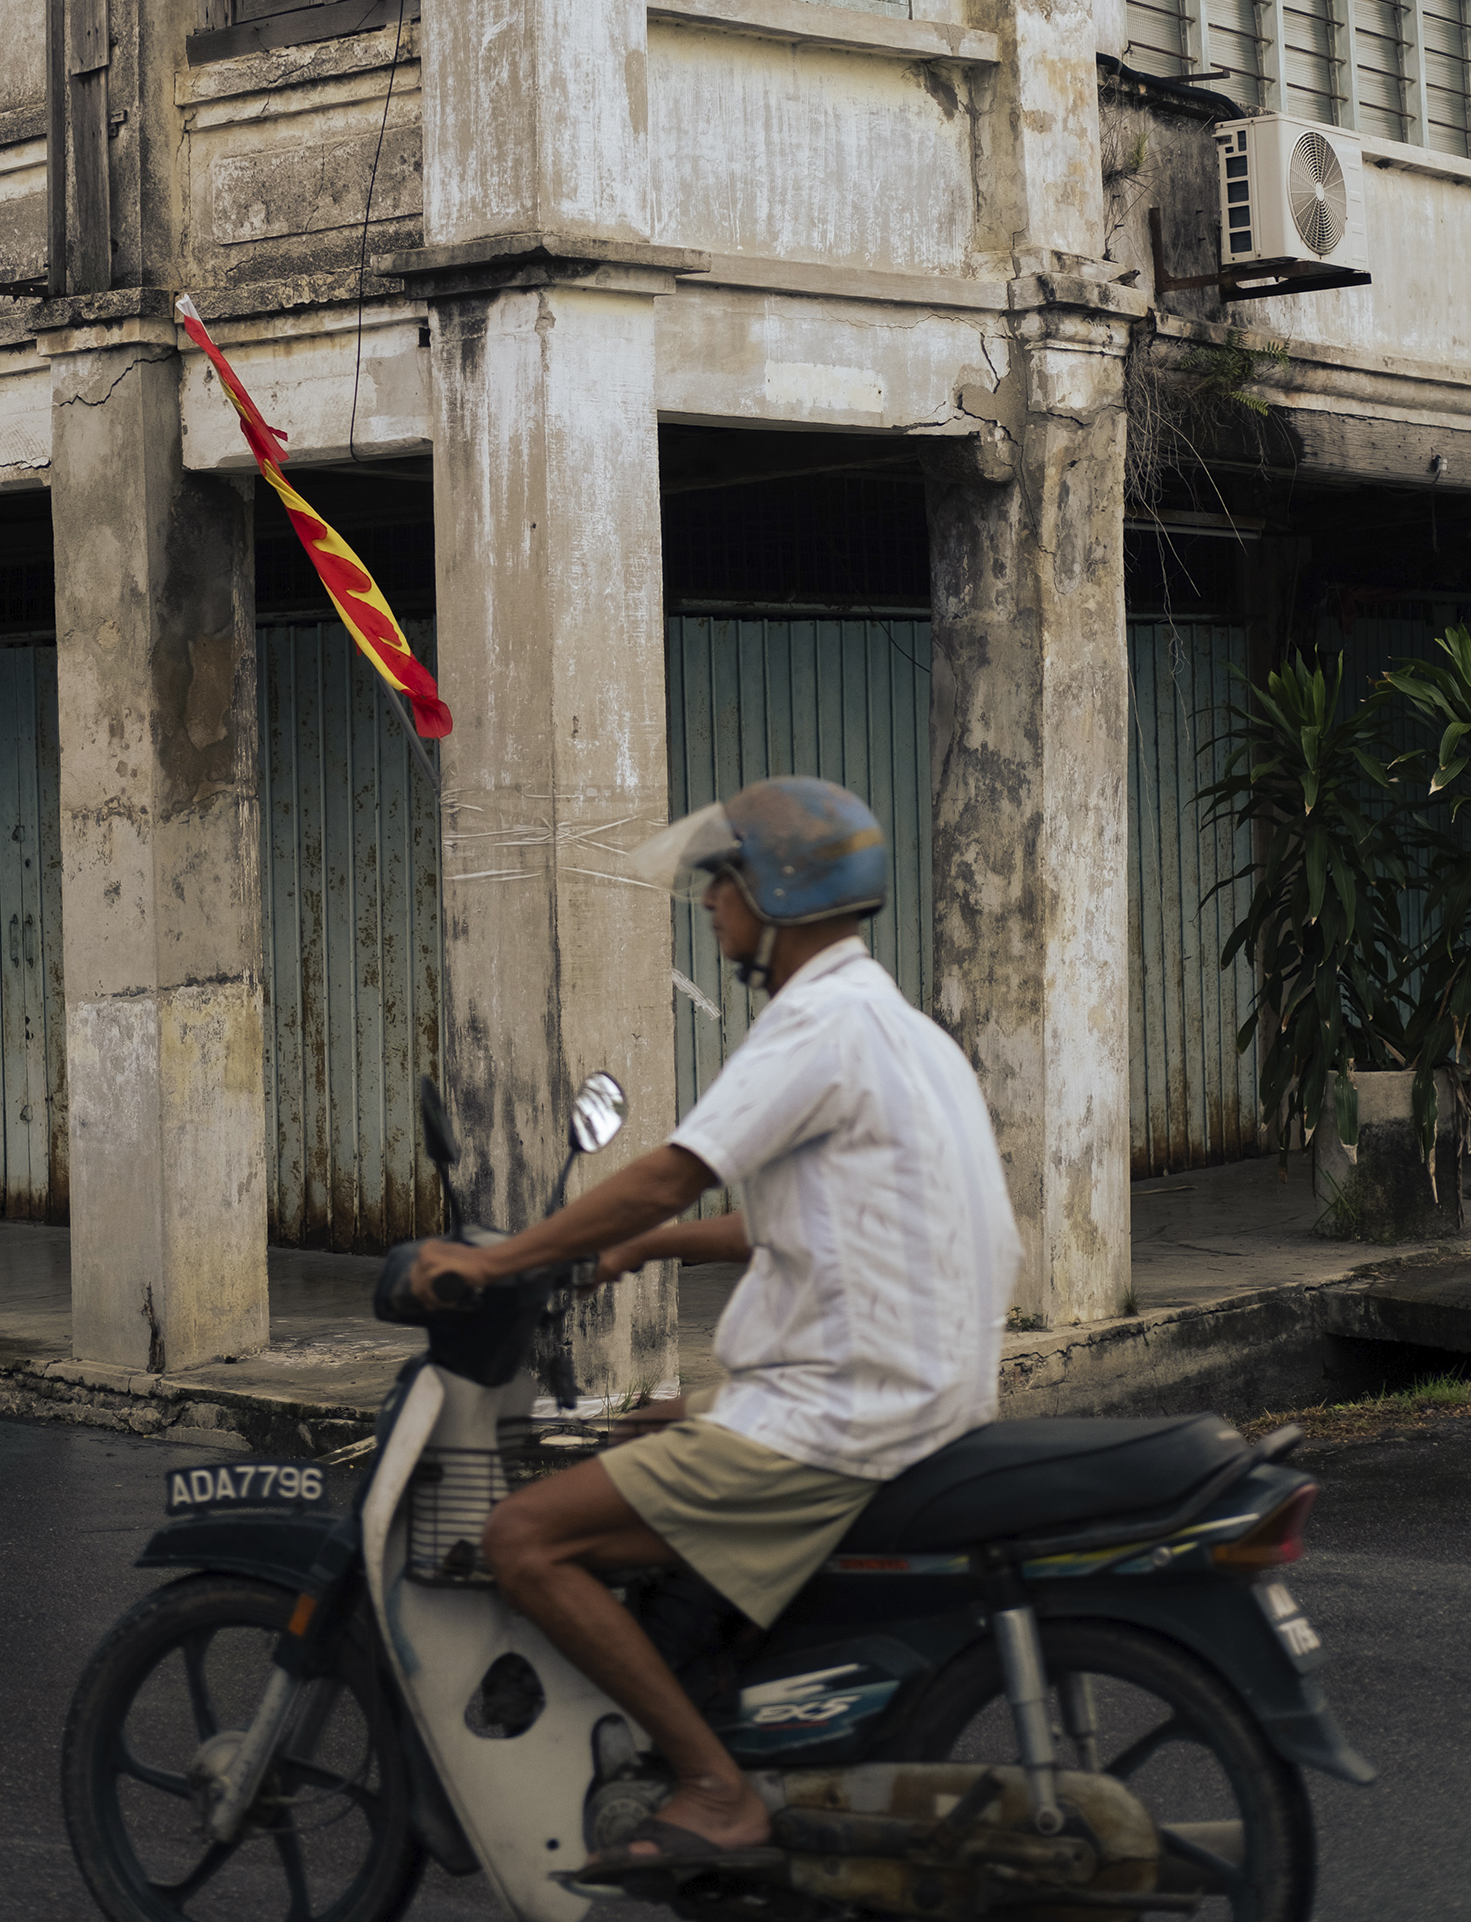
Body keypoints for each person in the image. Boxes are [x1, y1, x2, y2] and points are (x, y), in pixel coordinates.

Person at [410, 775, 1021, 1875]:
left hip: (840, 1408)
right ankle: (727, 1708)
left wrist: (496, 1258)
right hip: (912, 1387)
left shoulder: (811, 1026)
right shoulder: (895, 1027)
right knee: (642, 1433)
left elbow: (664, 1175)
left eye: (720, 883)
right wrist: (642, 1250)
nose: (709, 906)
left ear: (773, 895)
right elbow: (798, 1221)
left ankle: (712, 1786)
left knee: (522, 1536)